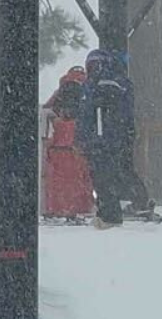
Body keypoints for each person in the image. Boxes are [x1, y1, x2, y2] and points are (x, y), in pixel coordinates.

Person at [78, 49, 154, 228]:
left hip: (102, 139)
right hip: (117, 138)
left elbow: (88, 113)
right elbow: (126, 111)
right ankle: (139, 202)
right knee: (123, 170)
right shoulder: (120, 82)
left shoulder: (97, 84)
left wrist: (84, 138)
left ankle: (110, 213)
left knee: (103, 176)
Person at [42, 67, 94, 221]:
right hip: (78, 142)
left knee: (57, 180)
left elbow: (47, 108)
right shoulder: (88, 89)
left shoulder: (62, 89)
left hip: (58, 143)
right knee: (80, 178)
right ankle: (81, 207)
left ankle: (56, 208)